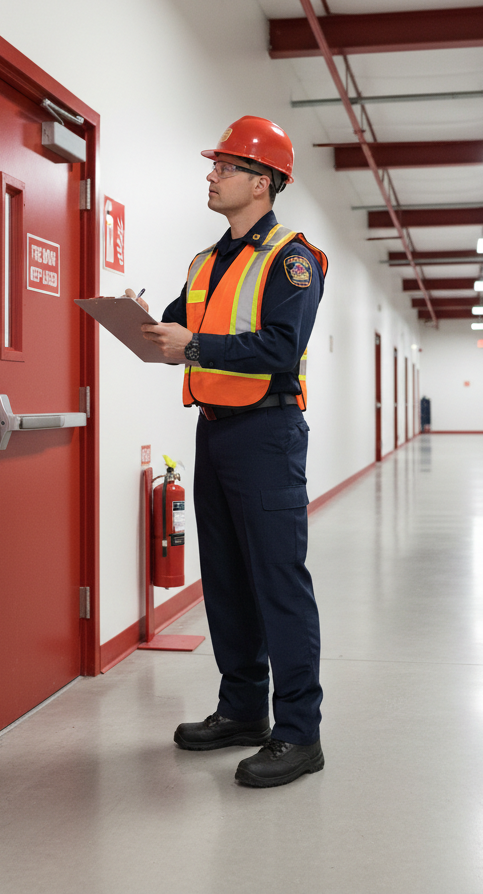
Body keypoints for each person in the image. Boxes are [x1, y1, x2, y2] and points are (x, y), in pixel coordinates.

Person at [132, 115, 328, 788]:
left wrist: (195, 347)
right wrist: (145, 325)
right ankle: (244, 710)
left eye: (226, 167)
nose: (211, 176)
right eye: (214, 165)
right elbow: (176, 328)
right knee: (224, 579)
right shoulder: (205, 262)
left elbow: (280, 348)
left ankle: (300, 733)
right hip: (214, 431)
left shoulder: (293, 259)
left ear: (265, 183)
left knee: (278, 581)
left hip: (268, 436)